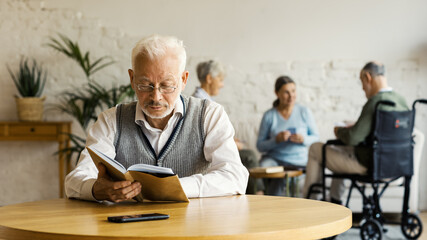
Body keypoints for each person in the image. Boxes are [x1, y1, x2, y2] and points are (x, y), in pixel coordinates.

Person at [65, 35, 248, 202]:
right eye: (145, 85)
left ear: (184, 80)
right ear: (131, 78)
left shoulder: (209, 115)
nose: (156, 97)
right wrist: (96, 189)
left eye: (167, 86)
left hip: (193, 229)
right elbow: (74, 181)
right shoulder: (111, 120)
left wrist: (171, 188)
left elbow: (234, 176)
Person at [302, 61, 409, 204]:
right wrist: (359, 125)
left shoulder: (375, 102)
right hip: (396, 165)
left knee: (316, 148)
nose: (363, 88)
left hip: (370, 165)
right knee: (338, 150)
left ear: (368, 77)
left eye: (362, 82)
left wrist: (339, 131)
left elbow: (353, 138)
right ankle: (335, 199)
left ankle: (309, 202)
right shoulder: (401, 101)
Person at [192, 60, 261, 194]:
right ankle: (258, 195)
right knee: (250, 156)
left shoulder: (205, 100)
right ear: (209, 79)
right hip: (205, 152)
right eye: (220, 79)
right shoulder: (202, 103)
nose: (222, 85)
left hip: (210, 146)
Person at [257, 76, 319, 196]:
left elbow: (316, 137)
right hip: (275, 160)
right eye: (286, 92)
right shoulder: (269, 116)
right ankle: (266, 200)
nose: (291, 96)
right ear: (277, 93)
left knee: (282, 178)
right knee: (264, 167)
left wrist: (304, 139)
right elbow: (260, 146)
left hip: (299, 161)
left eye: (293, 91)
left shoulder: (304, 112)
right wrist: (276, 140)